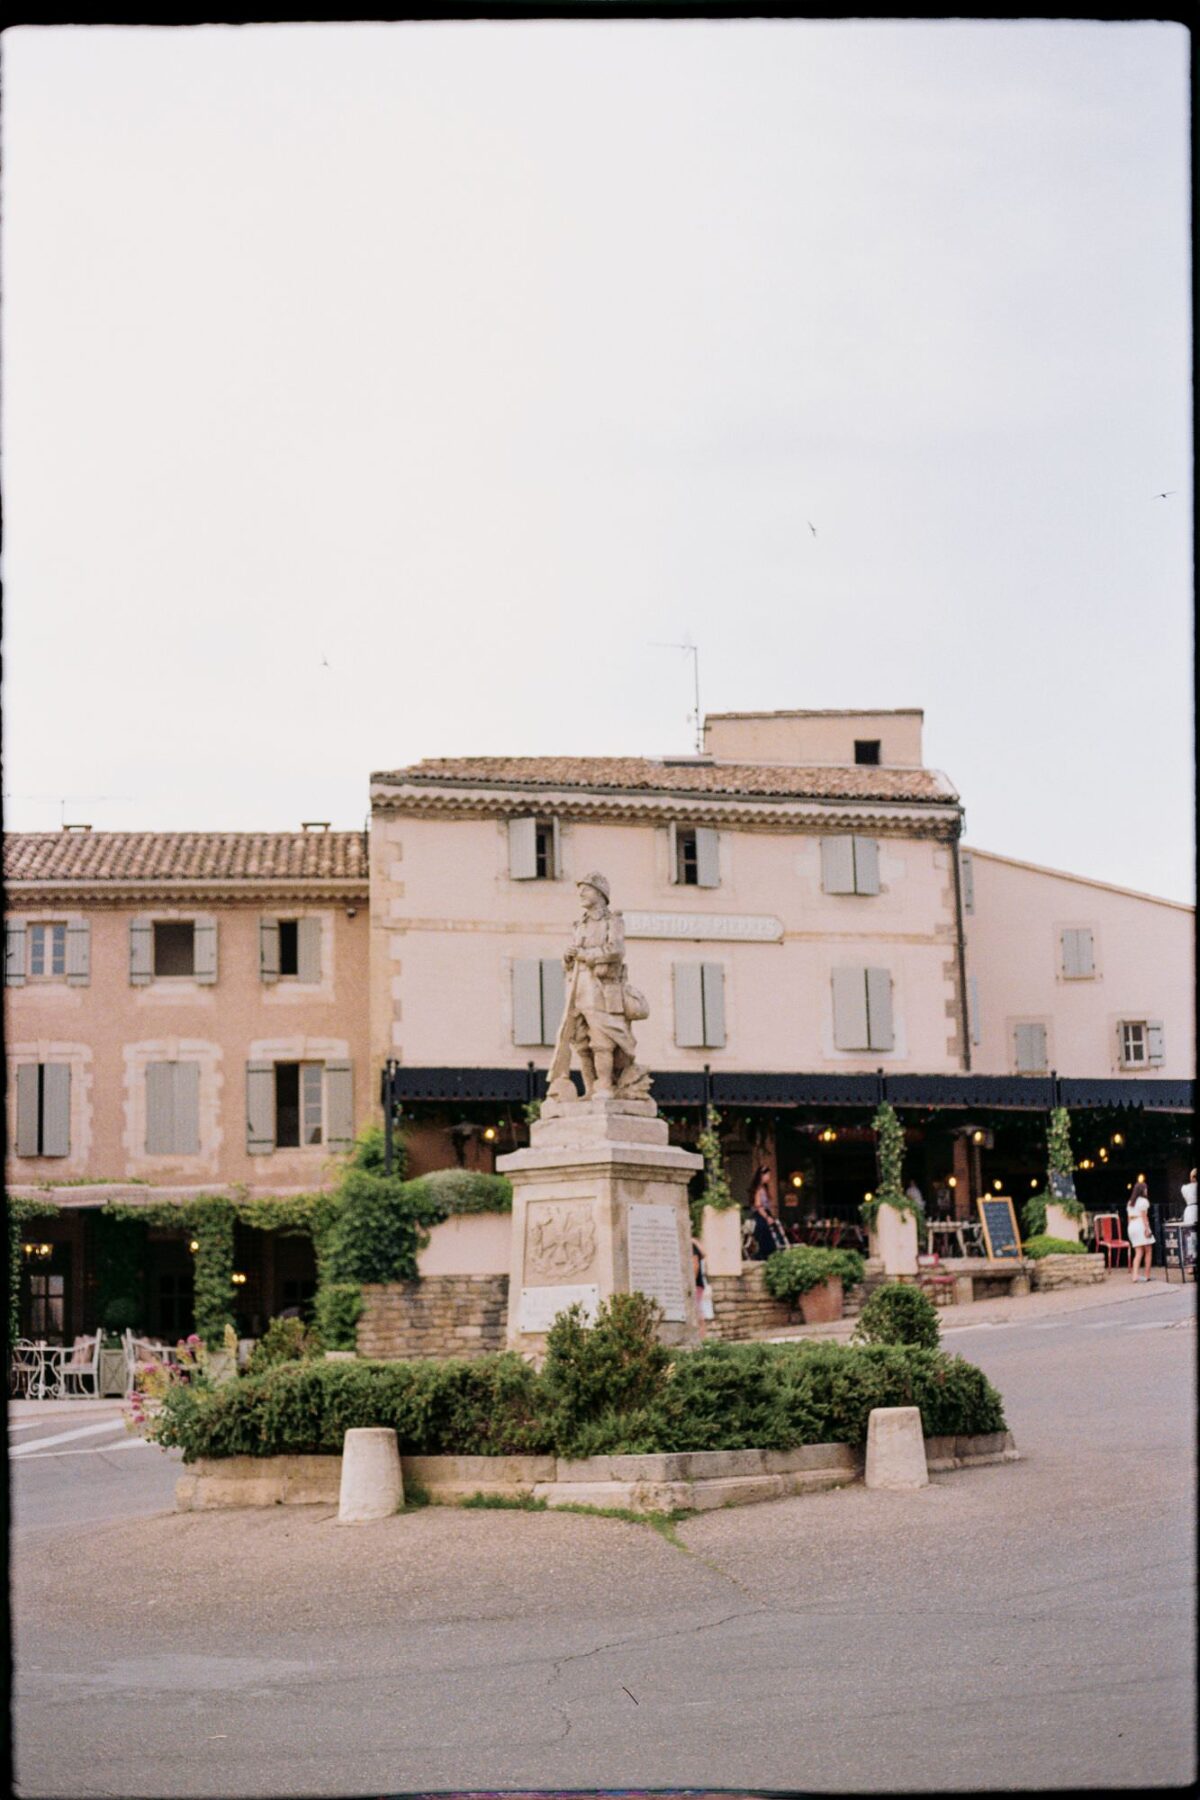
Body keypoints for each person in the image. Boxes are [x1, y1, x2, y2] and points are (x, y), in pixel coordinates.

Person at [557, 873, 651, 1100]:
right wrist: (568, 958)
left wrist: (585, 955)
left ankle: (606, 1086)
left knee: (602, 1040)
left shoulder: (612, 921)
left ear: (600, 894)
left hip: (602, 989)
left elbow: (616, 950)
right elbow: (570, 964)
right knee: (581, 1042)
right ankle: (590, 1089)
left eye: (586, 889)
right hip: (577, 989)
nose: (581, 893)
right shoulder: (580, 924)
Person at [1126, 1178, 1154, 1283]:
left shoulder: (1130, 1202)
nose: (1147, 1191)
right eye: (1145, 1189)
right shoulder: (1144, 1201)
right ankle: (1147, 1275)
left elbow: (1128, 1218)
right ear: (1142, 1190)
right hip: (1140, 1224)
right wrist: (1147, 1229)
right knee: (1148, 1250)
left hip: (1132, 1226)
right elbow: (1144, 1216)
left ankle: (1134, 1276)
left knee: (1138, 1252)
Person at [692, 1237, 714, 1337]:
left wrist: (691, 1282)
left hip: (695, 1284)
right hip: (698, 1284)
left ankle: (702, 1338)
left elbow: (695, 1264)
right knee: (698, 1312)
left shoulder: (690, 1245)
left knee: (698, 1313)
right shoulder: (693, 1243)